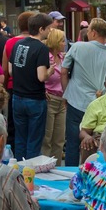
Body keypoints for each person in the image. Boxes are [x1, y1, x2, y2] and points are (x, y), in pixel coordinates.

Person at [61, 18, 106, 166]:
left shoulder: (77, 47)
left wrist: (66, 92)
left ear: (93, 32)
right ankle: (95, 171)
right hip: (98, 103)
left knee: (73, 143)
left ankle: (71, 173)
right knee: (97, 143)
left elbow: (63, 71)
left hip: (76, 100)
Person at [9, 13, 55, 160]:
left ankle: (20, 172)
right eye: (48, 28)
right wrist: (50, 71)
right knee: (34, 141)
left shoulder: (17, 44)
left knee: (20, 138)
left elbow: (11, 70)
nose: (50, 31)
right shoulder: (41, 48)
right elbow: (41, 76)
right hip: (35, 98)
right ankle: (31, 174)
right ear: (41, 29)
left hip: (17, 97)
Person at [2, 11, 34, 147]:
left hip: (13, 87)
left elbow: (4, 69)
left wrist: (4, 88)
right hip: (33, 89)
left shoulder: (10, 43)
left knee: (14, 126)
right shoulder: (38, 43)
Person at [41, 28, 66, 165]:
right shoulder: (46, 58)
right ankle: (44, 167)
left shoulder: (63, 57)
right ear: (56, 42)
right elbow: (39, 76)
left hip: (62, 100)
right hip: (50, 99)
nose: (64, 43)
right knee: (47, 138)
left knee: (59, 138)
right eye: (62, 40)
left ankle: (56, 167)